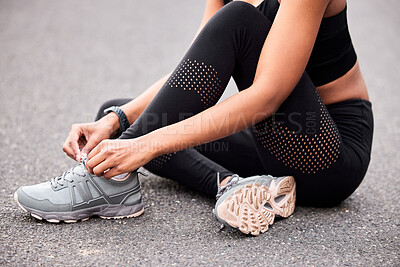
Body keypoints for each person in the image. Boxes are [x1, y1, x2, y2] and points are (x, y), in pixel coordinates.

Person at [14, 0, 373, 236]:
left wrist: (144, 144)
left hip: (328, 153)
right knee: (120, 115)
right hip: (272, 141)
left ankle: (112, 181)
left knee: (238, 20)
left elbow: (267, 97)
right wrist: (116, 121)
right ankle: (230, 185)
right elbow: (193, 74)